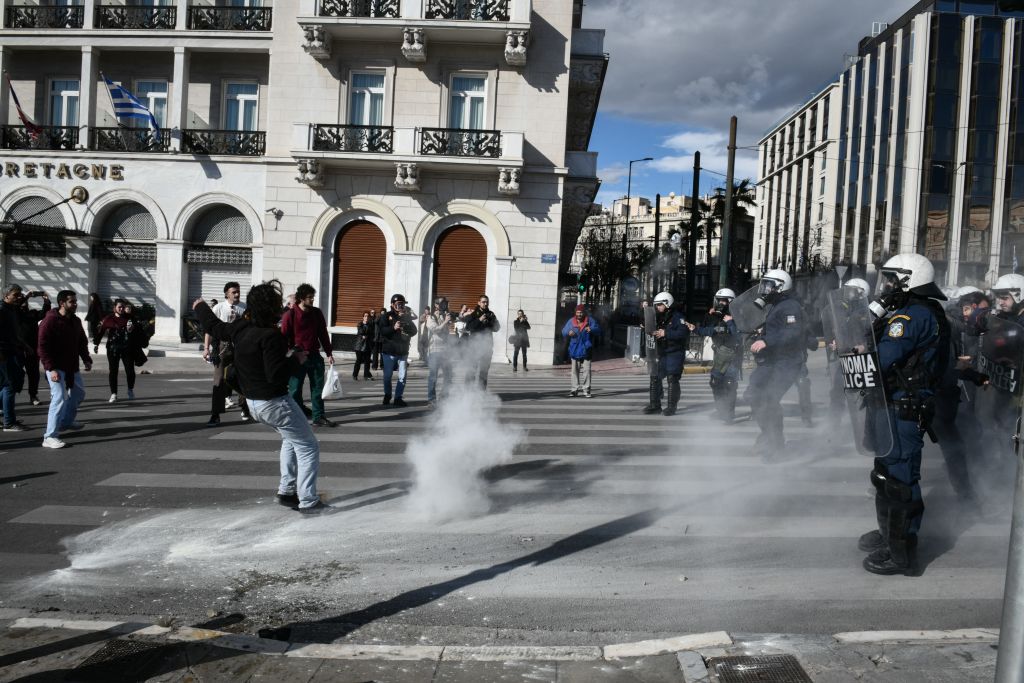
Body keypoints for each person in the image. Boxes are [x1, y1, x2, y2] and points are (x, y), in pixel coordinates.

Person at [194, 281, 331, 514]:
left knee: (291, 439)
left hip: (254, 402)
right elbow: (275, 374)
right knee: (308, 446)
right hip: (274, 402)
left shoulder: (240, 327)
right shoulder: (271, 336)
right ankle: (308, 500)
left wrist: (200, 307)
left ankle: (287, 492)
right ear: (272, 309)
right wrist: (295, 359)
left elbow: (214, 326)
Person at [856, 253, 950, 576]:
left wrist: (861, 346)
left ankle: (902, 552)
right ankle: (887, 535)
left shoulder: (912, 316)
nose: (887, 286)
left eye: (893, 279)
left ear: (910, 280)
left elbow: (881, 358)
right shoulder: (907, 311)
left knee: (900, 480)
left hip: (903, 407)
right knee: (885, 473)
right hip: (890, 403)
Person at [747, 269, 804, 458]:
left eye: (768, 285)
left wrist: (767, 341)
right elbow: (777, 329)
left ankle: (775, 445)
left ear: (780, 286)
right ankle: (767, 435)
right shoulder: (776, 306)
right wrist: (762, 334)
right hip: (772, 361)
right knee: (753, 394)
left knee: (770, 400)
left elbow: (793, 332)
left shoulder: (790, 306)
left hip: (787, 363)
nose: (764, 289)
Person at [37, 290, 92, 449]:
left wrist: (86, 359)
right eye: (72, 302)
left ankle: (66, 422)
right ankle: (49, 437)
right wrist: (51, 368)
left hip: (72, 367)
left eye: (75, 301)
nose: (75, 304)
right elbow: (42, 346)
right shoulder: (50, 320)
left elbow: (81, 342)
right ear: (62, 303)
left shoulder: (75, 321)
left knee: (78, 394)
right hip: (55, 367)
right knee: (59, 397)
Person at [282, 283, 336, 428]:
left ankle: (318, 416)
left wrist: (329, 352)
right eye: (309, 297)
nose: (312, 300)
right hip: (296, 357)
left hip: (314, 355)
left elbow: (323, 334)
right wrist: (288, 354)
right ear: (301, 298)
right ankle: (296, 417)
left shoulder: (317, 313)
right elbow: (283, 337)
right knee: (295, 389)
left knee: (318, 388)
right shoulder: (290, 315)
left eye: (313, 297)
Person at [691, 288, 742, 422]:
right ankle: (721, 410)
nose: (720, 304)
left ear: (730, 302)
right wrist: (695, 328)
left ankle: (729, 415)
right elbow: (708, 329)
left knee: (730, 384)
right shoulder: (716, 316)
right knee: (715, 383)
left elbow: (739, 337)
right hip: (719, 356)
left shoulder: (738, 316)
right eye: (718, 301)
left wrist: (730, 321)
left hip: (733, 357)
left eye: (723, 301)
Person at [205, 282, 252, 427]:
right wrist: (206, 348)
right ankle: (215, 414)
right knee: (218, 380)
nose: (237, 294)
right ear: (226, 293)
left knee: (242, 377)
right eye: (234, 292)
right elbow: (209, 329)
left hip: (240, 347)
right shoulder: (219, 307)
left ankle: (245, 408)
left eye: (238, 291)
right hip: (222, 347)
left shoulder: (244, 308)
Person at [646, 292, 689, 416]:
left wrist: (666, 334)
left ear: (667, 303)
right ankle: (655, 405)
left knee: (672, 378)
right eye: (657, 305)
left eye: (660, 305)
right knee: (655, 376)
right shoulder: (660, 317)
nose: (658, 307)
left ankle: (671, 407)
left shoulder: (678, 317)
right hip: (663, 352)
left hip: (675, 352)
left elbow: (683, 333)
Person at [94, 298, 138, 402]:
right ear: (115, 308)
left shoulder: (130, 318)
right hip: (112, 349)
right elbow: (101, 332)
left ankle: (130, 390)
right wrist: (96, 344)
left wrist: (132, 330)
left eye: (123, 307)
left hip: (127, 348)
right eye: (119, 307)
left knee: (130, 371)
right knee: (113, 371)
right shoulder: (108, 319)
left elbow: (138, 332)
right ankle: (114, 393)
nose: (122, 309)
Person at [379, 293, 417, 407]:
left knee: (402, 376)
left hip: (403, 352)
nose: (400, 306)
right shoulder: (386, 316)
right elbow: (382, 331)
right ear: (392, 305)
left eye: (402, 304)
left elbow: (414, 331)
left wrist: (406, 321)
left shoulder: (406, 316)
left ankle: (398, 397)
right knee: (387, 376)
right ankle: (387, 394)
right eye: (398, 304)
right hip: (389, 352)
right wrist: (393, 328)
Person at [0, 284, 28, 431]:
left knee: (6, 385)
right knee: (10, 386)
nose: (19, 297)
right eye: (16, 295)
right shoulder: (2, 310)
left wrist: (25, 346)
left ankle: (6, 418)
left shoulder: (11, 310)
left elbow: (14, 333)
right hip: (5, 354)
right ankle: (9, 422)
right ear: (6, 296)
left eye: (20, 294)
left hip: (12, 351)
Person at [18, 290, 50, 406]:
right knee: (14, 375)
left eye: (24, 301)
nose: (24, 303)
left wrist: (46, 300)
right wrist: (25, 297)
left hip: (32, 349)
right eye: (20, 299)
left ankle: (33, 395)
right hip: (18, 349)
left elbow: (44, 313)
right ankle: (5, 400)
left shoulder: (31, 314)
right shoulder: (13, 314)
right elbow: (15, 309)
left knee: (34, 374)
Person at [424, 296, 456, 407]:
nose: (445, 305)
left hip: (446, 350)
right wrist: (445, 322)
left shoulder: (446, 314)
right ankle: (431, 399)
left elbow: (455, 321)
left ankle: (444, 397)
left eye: (446, 303)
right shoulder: (431, 317)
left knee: (448, 375)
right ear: (436, 305)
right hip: (435, 350)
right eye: (442, 303)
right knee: (433, 376)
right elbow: (435, 329)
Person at [462, 294, 500, 388]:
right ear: (479, 303)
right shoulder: (474, 314)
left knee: (484, 372)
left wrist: (490, 322)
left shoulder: (491, 314)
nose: (485, 304)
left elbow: (497, 328)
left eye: (487, 302)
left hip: (486, 347)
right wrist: (479, 320)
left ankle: (481, 394)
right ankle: (468, 393)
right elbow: (468, 327)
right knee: (471, 370)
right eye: (483, 302)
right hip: (474, 347)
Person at [562, 304, 600, 397]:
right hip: (574, 349)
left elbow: (598, 330)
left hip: (586, 350)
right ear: (575, 313)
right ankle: (574, 390)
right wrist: (568, 332)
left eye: (581, 312)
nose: (579, 314)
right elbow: (563, 331)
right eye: (578, 312)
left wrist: (591, 329)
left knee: (587, 371)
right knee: (575, 371)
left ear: (584, 313)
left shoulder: (590, 321)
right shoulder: (571, 321)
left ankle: (586, 390)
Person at [352, 311, 374, 380]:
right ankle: (355, 375)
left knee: (367, 361)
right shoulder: (360, 324)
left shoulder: (370, 325)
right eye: (365, 316)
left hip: (367, 345)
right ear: (363, 317)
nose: (366, 317)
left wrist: (366, 336)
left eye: (368, 316)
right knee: (358, 361)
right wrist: (365, 335)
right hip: (359, 346)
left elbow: (371, 334)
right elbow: (361, 332)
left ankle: (366, 375)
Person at [370, 307, 383, 371]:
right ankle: (374, 366)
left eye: (374, 313)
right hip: (375, 338)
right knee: (375, 353)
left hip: (381, 338)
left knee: (382, 353)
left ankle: (382, 365)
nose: (373, 314)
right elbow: (375, 321)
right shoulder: (374, 319)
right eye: (372, 312)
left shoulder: (381, 318)